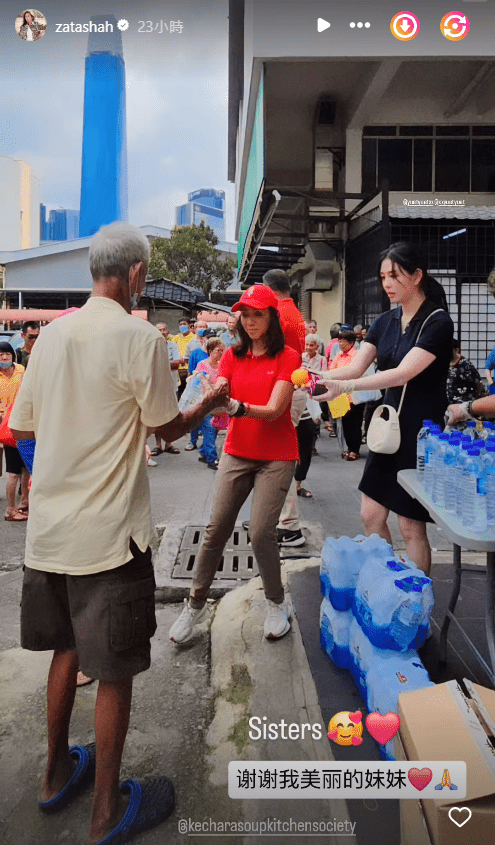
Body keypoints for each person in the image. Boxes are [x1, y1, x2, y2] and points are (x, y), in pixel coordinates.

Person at [9, 222, 227, 844]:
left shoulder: (48, 338)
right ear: (135, 275)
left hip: (48, 534)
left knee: (65, 652)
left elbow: (23, 428)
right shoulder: (140, 337)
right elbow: (166, 429)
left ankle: (53, 780)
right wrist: (210, 401)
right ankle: (105, 813)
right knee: (115, 672)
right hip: (110, 540)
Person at [169, 284, 301, 644]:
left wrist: (235, 407)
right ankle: (194, 604)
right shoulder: (232, 354)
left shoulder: (287, 357)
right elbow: (221, 388)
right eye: (246, 313)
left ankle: (276, 603)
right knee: (215, 530)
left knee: (260, 533)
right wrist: (207, 395)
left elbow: (275, 410)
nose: (251, 320)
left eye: (259, 313)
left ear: (272, 316)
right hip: (238, 451)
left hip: (276, 455)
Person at [317, 243, 453, 575]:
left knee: (410, 524)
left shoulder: (437, 322)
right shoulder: (384, 321)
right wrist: (315, 376)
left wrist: (343, 388)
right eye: (383, 277)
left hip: (420, 432)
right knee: (371, 515)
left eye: (394, 275)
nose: (387, 283)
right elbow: (355, 367)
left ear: (417, 276)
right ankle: (387, 582)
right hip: (386, 427)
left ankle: (417, 602)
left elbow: (403, 373)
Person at [0, 342, 29, 520]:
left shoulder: (21, 371)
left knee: (24, 468)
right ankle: (11, 509)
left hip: (21, 422)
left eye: (7, 354)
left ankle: (23, 503)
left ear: (13, 355)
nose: (4, 358)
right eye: (1, 355)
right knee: (13, 470)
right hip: (4, 423)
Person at [328, 330, 364, 461]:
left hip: (354, 394)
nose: (341, 343)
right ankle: (348, 448)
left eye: (343, 341)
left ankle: (355, 450)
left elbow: (353, 373)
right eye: (340, 341)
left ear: (352, 343)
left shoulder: (357, 355)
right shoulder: (338, 355)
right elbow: (332, 370)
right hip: (340, 394)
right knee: (345, 422)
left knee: (355, 422)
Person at [193, 338, 225, 469]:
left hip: (220, 403)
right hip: (206, 403)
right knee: (209, 430)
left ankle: (203, 452)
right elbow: (200, 382)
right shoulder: (202, 365)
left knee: (214, 430)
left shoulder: (224, 365)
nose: (221, 353)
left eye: (223, 350)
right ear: (210, 351)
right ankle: (212, 459)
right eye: (218, 350)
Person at [151, 323, 182, 456]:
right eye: (159, 330)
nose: (162, 332)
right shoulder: (151, 347)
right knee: (157, 416)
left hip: (171, 385)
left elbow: (177, 364)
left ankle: (169, 443)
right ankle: (158, 445)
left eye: (164, 330)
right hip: (155, 387)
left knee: (171, 416)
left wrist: (160, 364)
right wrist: (168, 364)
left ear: (168, 332)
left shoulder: (172, 345)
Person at [447, 339, 487, 404]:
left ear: (456, 350)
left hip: (463, 406)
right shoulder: (443, 364)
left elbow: (478, 385)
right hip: (447, 407)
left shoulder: (466, 365)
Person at [171, 319, 195, 397]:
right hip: (177, 368)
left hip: (189, 368)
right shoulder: (175, 338)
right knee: (178, 392)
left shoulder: (193, 338)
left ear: (189, 325)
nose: (182, 326)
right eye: (180, 324)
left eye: (184, 324)